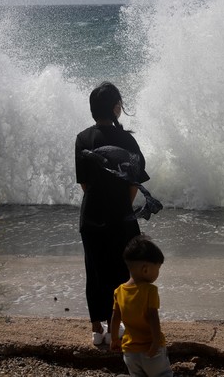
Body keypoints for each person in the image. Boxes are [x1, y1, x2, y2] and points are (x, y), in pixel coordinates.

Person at [75, 82, 149, 345]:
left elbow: (85, 185)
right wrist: (122, 206)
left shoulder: (83, 139)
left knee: (94, 269)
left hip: (92, 214)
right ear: (115, 107)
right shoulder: (128, 140)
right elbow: (134, 184)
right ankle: (118, 325)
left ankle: (97, 329)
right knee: (123, 271)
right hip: (121, 216)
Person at [110, 235, 173, 377]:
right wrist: (156, 342)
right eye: (157, 269)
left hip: (130, 352)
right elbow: (153, 318)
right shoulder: (150, 290)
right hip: (150, 349)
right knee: (163, 374)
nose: (158, 273)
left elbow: (115, 318)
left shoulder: (119, 291)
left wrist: (114, 339)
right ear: (145, 269)